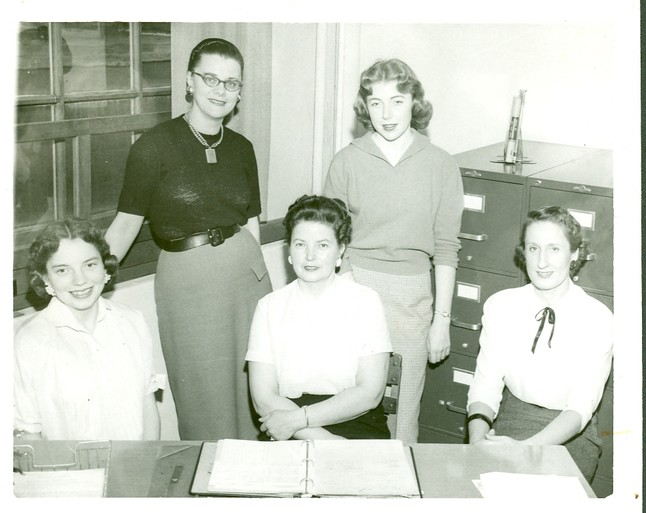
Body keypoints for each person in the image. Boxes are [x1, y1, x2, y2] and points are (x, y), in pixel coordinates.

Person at [105, 38, 272, 440]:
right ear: (189, 81)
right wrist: (87, 278)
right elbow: (126, 225)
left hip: (247, 278)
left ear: (239, 93)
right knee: (202, 392)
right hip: (188, 282)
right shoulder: (154, 146)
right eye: (211, 78)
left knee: (258, 386)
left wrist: (269, 297)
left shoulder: (242, 148)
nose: (220, 90)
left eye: (231, 83)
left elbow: (251, 223)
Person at [323, 58, 464, 443]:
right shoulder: (347, 160)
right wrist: (351, 295)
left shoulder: (440, 164)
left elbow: (447, 249)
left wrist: (441, 320)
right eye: (376, 103)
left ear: (414, 103)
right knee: (348, 405)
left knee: (402, 415)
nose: (386, 114)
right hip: (354, 288)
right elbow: (331, 239)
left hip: (412, 299)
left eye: (397, 101)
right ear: (364, 107)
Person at [466, 206, 613, 482]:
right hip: (511, 419)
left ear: (575, 254)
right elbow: (485, 385)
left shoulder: (597, 318)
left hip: (570, 435)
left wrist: (524, 449)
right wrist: (477, 440)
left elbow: (580, 408)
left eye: (554, 249)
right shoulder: (501, 305)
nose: (542, 262)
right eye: (534, 249)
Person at [246, 195, 393, 441]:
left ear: (340, 251)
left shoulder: (366, 302)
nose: (310, 256)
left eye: (323, 245)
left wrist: (299, 421)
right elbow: (263, 399)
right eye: (300, 244)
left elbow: (369, 393)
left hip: (354, 419)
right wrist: (325, 441)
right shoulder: (269, 307)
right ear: (289, 251)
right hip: (285, 421)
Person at [14, 219, 162, 440]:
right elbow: (29, 433)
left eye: (90, 264)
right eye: (63, 270)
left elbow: (147, 405)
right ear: (46, 279)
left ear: (105, 267)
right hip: (70, 473)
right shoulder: (30, 341)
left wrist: (148, 466)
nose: (80, 280)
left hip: (135, 465)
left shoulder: (132, 320)